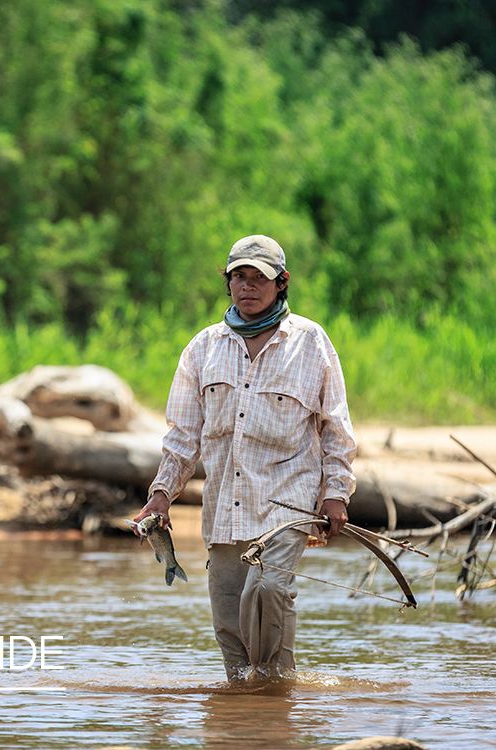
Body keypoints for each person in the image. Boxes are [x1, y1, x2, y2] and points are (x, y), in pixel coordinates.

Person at [133, 234, 356, 681]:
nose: (248, 286)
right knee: (230, 622)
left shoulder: (310, 343)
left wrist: (336, 494)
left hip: (288, 500)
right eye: (239, 276)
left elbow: (335, 428)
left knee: (269, 587)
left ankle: (275, 688)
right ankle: (247, 713)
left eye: (260, 278)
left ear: (282, 283)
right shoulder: (203, 347)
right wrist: (161, 494)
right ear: (228, 282)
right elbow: (183, 435)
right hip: (225, 505)